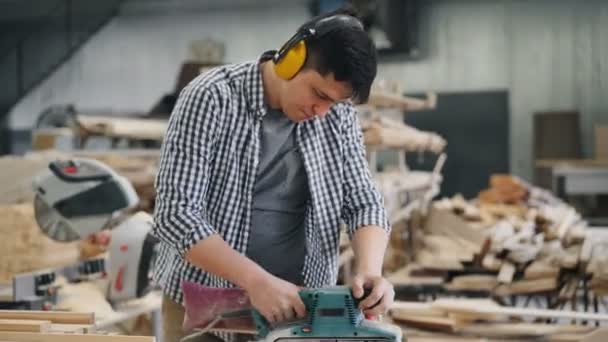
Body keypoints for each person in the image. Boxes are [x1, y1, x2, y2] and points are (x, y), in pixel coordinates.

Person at [153, 6, 395, 342]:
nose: (322, 113)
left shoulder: (336, 115)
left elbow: (363, 202)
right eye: (319, 95)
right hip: (209, 305)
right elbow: (176, 215)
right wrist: (256, 282)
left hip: (300, 305)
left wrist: (370, 270)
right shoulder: (211, 97)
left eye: (335, 104)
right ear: (292, 59)